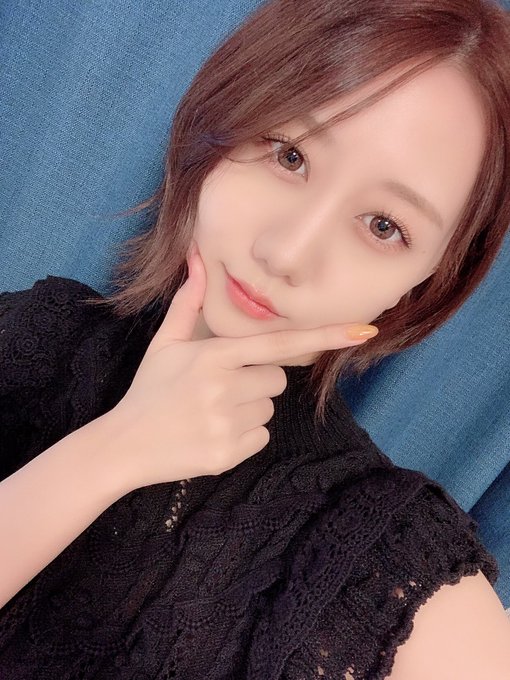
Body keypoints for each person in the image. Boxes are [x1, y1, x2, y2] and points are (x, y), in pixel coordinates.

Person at [1, 0, 510, 677]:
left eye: (383, 226)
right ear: (224, 119)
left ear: (428, 280)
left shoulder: (393, 570)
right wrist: (112, 450)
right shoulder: (32, 342)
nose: (287, 252)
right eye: (289, 155)